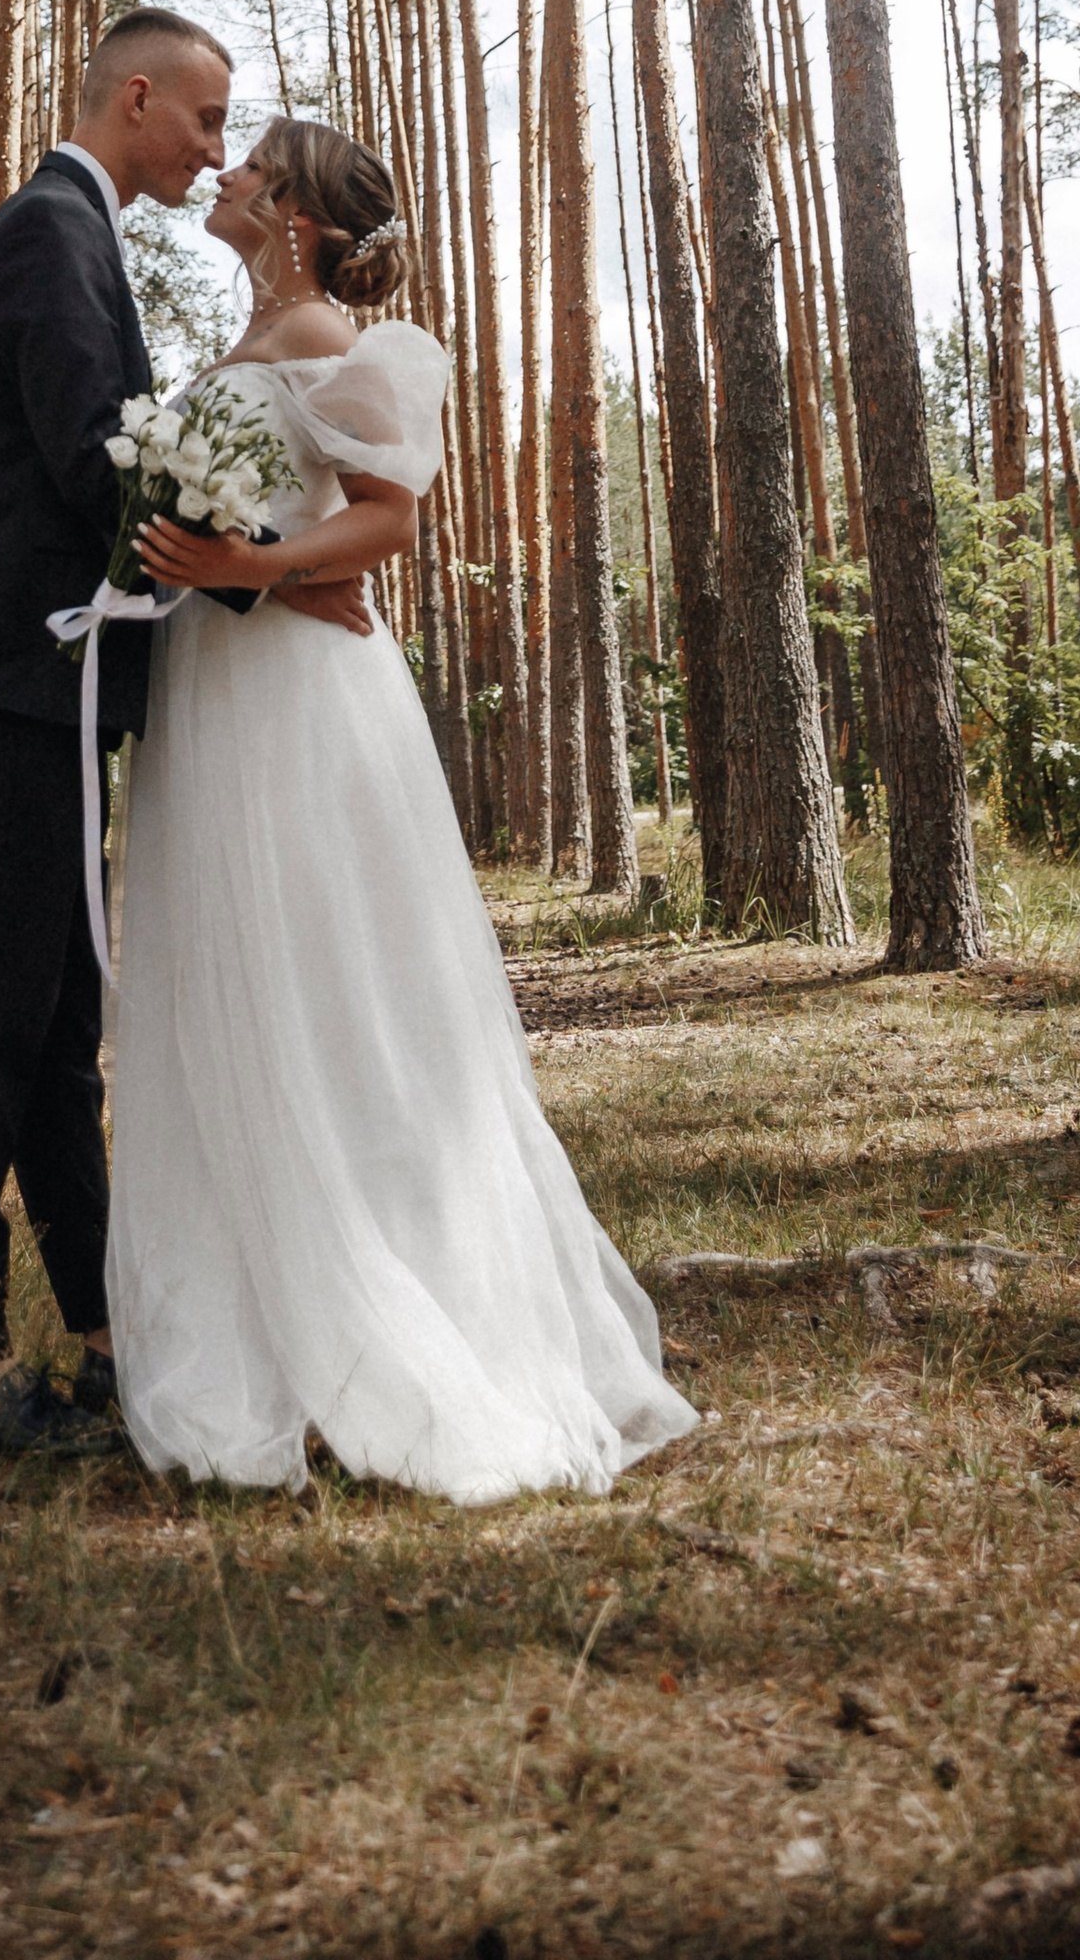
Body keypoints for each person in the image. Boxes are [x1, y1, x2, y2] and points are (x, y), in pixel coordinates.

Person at [109, 114, 699, 1503]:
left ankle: (388, 1329)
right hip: (220, 682)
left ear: (299, 211)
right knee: (227, 986)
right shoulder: (259, 337)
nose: (228, 174)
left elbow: (387, 528)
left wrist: (241, 563)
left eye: (253, 163)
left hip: (303, 703)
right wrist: (214, 565)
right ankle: (256, 1335)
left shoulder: (322, 337)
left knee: (329, 991)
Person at [0, 14, 369, 1454]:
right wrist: (269, 570)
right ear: (135, 97)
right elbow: (102, 463)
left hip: (46, 687)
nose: (218, 150)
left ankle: (103, 1340)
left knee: (51, 1030)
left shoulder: (74, 234)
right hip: (1, 683)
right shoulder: (47, 234)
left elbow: (119, 458)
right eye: (206, 121)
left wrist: (263, 564)